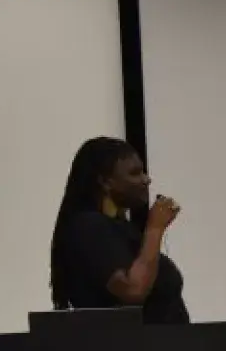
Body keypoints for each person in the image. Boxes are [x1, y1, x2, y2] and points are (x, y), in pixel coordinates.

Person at [49, 137, 189, 324]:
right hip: (133, 350)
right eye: (134, 173)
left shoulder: (120, 229)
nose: (146, 179)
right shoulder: (89, 227)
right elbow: (133, 291)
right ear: (105, 182)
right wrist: (155, 228)